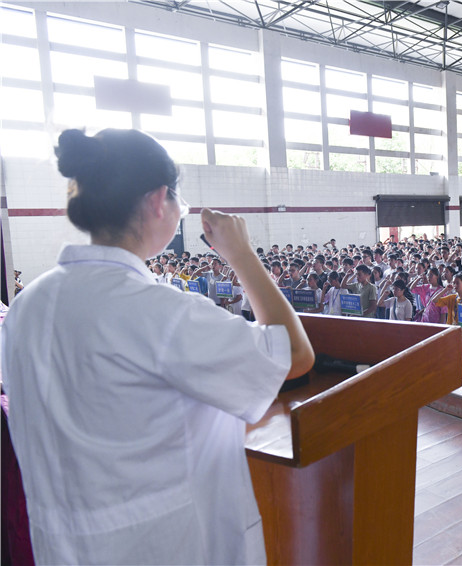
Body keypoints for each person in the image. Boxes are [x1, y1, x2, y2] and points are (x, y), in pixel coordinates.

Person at [1, 129, 314, 565]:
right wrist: (241, 253)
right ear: (157, 199)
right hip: (163, 546)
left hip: (65, 549)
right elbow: (295, 354)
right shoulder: (158, 312)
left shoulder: (27, 307)